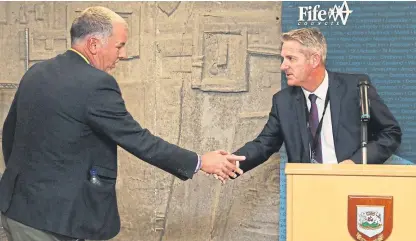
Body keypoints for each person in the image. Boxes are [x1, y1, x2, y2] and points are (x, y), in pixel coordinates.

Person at [0, 6, 244, 241]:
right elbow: (139, 140)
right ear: (94, 44)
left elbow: (9, 134)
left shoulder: (36, 72)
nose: (124, 54)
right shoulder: (95, 84)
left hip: (17, 208)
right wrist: (200, 162)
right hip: (52, 220)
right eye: (120, 45)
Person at [229, 27, 401, 174]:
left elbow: (390, 132)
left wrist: (355, 163)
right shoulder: (283, 102)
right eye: (283, 59)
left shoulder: (356, 88)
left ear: (314, 60)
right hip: (307, 189)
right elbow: (263, 144)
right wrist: (230, 163)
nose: (283, 66)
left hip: (352, 184)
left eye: (291, 58)